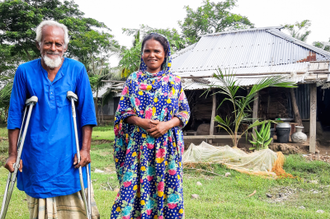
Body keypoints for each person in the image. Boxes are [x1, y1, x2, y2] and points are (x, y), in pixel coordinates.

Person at [5, 20, 100, 219]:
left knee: (81, 211)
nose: (53, 48)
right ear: (38, 45)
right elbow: (15, 115)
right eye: (47, 43)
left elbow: (87, 114)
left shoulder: (77, 69)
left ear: (65, 46)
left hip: (70, 153)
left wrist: (85, 149)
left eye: (58, 44)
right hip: (37, 155)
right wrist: (13, 154)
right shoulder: (24, 71)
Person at [111, 33, 190, 219]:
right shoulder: (133, 80)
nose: (151, 55)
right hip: (139, 147)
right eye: (147, 51)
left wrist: (167, 125)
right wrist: (140, 122)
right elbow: (123, 111)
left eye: (157, 51)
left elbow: (184, 112)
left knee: (167, 189)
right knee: (130, 192)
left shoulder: (174, 81)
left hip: (166, 148)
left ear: (165, 54)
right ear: (142, 54)